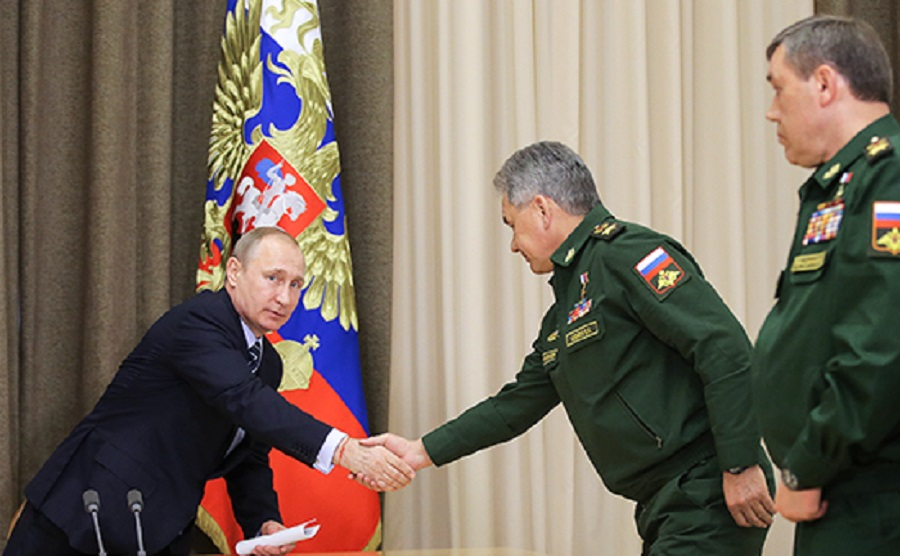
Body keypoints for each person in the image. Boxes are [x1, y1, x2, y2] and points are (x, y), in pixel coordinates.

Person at [365, 141, 775, 554]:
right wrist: (420, 451)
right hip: (665, 502)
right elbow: (513, 407)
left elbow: (724, 349)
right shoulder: (564, 311)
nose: (513, 244)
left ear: (542, 209)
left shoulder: (628, 255)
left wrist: (739, 462)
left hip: (707, 486)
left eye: (511, 224)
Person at [4, 227, 414, 556]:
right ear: (234, 272)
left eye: (296, 285)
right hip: (86, 514)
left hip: (158, 525)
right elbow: (244, 400)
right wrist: (344, 449)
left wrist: (262, 523)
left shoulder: (268, 363)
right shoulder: (198, 324)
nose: (284, 297)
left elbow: (249, 456)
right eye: (273, 278)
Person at [753, 15, 900, 555]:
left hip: (872, 499)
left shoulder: (889, 177)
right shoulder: (840, 185)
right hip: (839, 491)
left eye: (778, 88)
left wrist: (808, 465)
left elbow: (880, 345)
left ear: (824, 83)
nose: (772, 111)